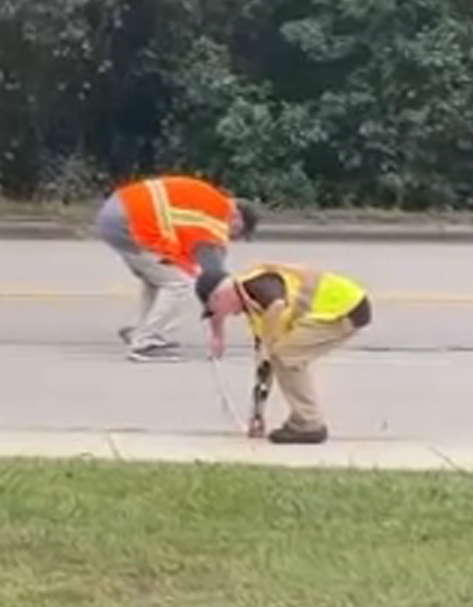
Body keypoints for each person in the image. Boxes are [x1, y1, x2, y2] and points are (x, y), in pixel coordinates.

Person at [195, 261, 372, 445]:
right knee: (282, 356)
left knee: (285, 356)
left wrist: (267, 343)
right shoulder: (254, 308)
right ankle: (304, 420)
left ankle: (309, 423)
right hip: (335, 311)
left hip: (343, 309)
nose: (224, 315)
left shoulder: (256, 284)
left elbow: (277, 304)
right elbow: (264, 366)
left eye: (213, 311)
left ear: (218, 297)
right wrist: (257, 414)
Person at [94, 175, 258, 361]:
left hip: (117, 209)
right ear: (237, 217)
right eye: (239, 232)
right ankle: (145, 343)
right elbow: (214, 277)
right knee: (180, 284)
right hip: (131, 220)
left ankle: (142, 330)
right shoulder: (217, 219)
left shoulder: (208, 201)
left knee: (160, 278)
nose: (233, 237)